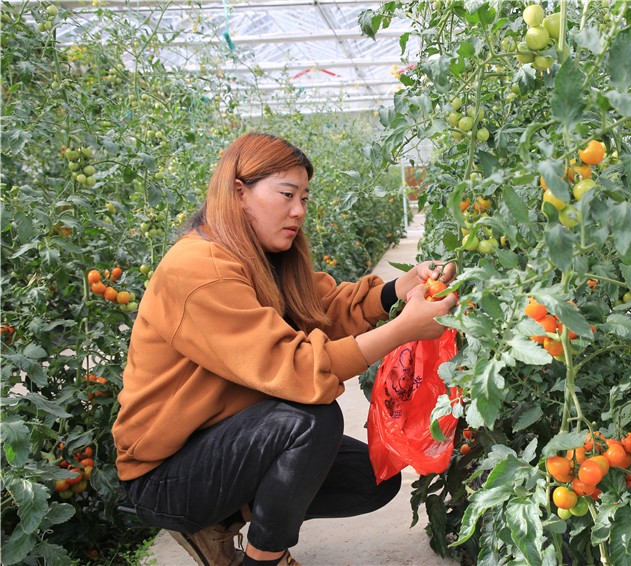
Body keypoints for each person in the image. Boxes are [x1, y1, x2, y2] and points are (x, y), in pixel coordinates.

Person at [112, 132, 458, 566]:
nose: (299, 210)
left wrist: (396, 290)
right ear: (239, 192)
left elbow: (324, 308)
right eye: (287, 194)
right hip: (166, 476)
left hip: (223, 444)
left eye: (304, 198)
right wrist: (403, 330)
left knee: (373, 476)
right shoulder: (199, 268)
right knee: (310, 419)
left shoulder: (262, 257)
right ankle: (265, 559)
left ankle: (221, 522)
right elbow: (297, 369)